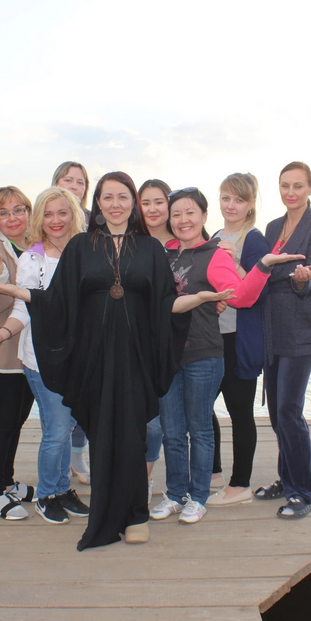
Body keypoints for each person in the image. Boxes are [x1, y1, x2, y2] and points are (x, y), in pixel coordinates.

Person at [0, 172, 230, 549]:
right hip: (94, 358)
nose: (115, 204)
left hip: (136, 358)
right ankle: (104, 514)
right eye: (107, 197)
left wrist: (197, 299)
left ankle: (136, 515)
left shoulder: (150, 249)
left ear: (132, 203)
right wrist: (17, 291)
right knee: (101, 436)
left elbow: (165, 304)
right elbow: (58, 300)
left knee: (133, 435)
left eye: (123, 196)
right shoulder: (81, 247)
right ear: (97, 203)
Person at [150, 187, 304, 525]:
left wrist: (262, 266)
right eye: (176, 214)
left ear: (204, 216)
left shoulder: (215, 254)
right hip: (168, 355)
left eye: (190, 212)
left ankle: (198, 497)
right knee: (172, 431)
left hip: (204, 353)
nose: (183, 220)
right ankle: (175, 494)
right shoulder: (164, 255)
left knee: (200, 429)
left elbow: (242, 297)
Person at [0, 186, 91, 524]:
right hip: (41, 360)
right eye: (48, 214)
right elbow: (23, 309)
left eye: (62, 212)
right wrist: (0, 334)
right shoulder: (32, 259)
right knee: (57, 429)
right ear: (40, 218)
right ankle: (48, 494)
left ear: (73, 214)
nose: (55, 220)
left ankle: (63, 489)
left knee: (68, 426)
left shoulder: (86, 252)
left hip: (77, 361)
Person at [254, 161, 311, 519]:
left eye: (298, 186)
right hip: (273, 326)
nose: (291, 192)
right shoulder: (273, 227)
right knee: (276, 412)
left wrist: (301, 279)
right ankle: (287, 481)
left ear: (310, 189)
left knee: (289, 410)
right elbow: (263, 269)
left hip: (301, 328)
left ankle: (304, 492)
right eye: (285, 185)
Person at [206, 173, 270, 507]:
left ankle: (240, 484)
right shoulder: (215, 236)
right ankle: (214, 471)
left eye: (239, 200)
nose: (231, 205)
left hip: (238, 340)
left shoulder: (254, 240)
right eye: (226, 198)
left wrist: (235, 263)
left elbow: (260, 292)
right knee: (201, 406)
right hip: (213, 337)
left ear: (250, 204)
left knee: (240, 412)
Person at [0, 186, 35, 520]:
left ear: (28, 212)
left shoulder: (35, 245)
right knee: (3, 422)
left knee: (18, 421)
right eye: (3, 212)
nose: (12, 218)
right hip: (3, 354)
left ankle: (7, 481)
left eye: (18, 210)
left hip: (31, 353)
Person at [51, 161, 92, 483]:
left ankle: (78, 455)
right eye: (68, 180)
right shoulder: (47, 219)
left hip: (88, 323)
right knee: (57, 403)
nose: (74, 187)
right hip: (54, 327)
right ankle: (59, 463)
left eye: (80, 182)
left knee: (86, 396)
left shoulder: (93, 222)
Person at [137, 178, 174, 502]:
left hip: (172, 343)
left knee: (158, 421)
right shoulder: (129, 242)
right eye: (145, 202)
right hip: (133, 342)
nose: (152, 209)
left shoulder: (184, 242)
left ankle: (146, 479)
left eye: (158, 202)